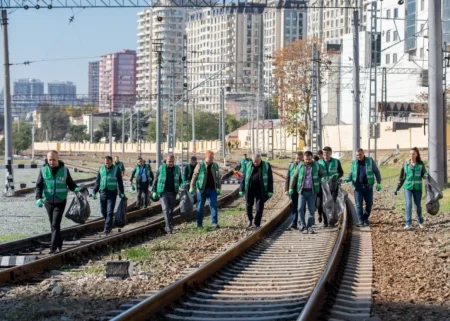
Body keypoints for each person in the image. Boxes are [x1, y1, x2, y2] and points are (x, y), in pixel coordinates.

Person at [36, 151, 80, 254]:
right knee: (53, 224)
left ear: (58, 158)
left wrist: (77, 189)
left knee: (55, 224)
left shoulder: (64, 170)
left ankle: (53, 248)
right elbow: (39, 185)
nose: (51, 162)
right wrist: (38, 198)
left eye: (53, 159)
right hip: (48, 201)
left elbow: (70, 183)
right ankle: (59, 243)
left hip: (61, 200)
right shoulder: (43, 170)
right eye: (49, 160)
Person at [344, 148, 382, 227]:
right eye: (357, 155)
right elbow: (351, 173)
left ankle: (365, 218)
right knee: (358, 205)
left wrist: (379, 182)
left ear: (363, 153)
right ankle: (361, 221)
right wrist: (348, 178)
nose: (359, 156)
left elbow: (376, 171)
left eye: (360, 154)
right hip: (358, 187)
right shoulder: (354, 163)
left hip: (368, 187)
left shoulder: (370, 161)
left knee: (369, 204)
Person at [289, 151, 324, 234]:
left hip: (312, 191)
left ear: (312, 158)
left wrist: (320, 180)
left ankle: (309, 227)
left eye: (309, 159)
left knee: (311, 210)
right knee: (300, 208)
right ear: (303, 159)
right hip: (302, 191)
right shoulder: (300, 165)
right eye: (306, 159)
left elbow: (322, 175)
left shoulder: (316, 165)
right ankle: (302, 225)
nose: (307, 161)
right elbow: (294, 177)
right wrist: (291, 188)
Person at [393, 147, 427, 230]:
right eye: (410, 154)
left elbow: (424, 175)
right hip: (407, 188)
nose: (411, 155)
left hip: (417, 188)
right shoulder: (406, 165)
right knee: (408, 204)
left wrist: (428, 177)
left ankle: (420, 221)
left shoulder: (420, 165)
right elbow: (401, 178)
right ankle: (408, 223)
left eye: (413, 154)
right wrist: (397, 188)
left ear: (417, 155)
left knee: (417, 206)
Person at [92, 156, 125, 234]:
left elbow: (120, 182)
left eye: (109, 163)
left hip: (112, 193)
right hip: (103, 192)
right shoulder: (101, 169)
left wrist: (121, 192)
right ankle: (109, 223)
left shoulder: (116, 169)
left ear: (112, 162)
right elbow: (97, 181)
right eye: (106, 163)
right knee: (103, 211)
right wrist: (94, 191)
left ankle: (106, 228)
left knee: (110, 211)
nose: (107, 164)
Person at [240, 154, 274, 229]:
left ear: (260, 159)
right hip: (250, 189)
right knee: (248, 205)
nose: (256, 163)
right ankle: (250, 219)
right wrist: (241, 189)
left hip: (260, 190)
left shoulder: (266, 165)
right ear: (252, 160)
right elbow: (243, 177)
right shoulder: (248, 165)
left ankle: (257, 223)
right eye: (254, 162)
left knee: (259, 207)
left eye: (257, 162)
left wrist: (270, 190)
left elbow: (270, 179)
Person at [190, 150, 222, 229]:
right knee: (200, 206)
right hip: (201, 189)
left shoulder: (215, 166)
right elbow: (194, 176)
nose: (212, 159)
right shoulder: (200, 165)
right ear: (206, 157)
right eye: (210, 157)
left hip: (212, 189)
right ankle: (199, 224)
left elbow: (218, 178)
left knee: (213, 205)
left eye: (212, 157)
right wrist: (192, 186)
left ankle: (214, 223)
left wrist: (219, 188)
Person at [152, 154, 183, 234]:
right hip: (163, 191)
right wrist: (154, 190)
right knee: (165, 209)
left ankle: (169, 224)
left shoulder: (177, 169)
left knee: (171, 211)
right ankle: (168, 227)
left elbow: (180, 180)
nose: (171, 163)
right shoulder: (161, 168)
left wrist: (182, 186)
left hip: (173, 192)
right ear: (166, 161)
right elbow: (155, 179)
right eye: (169, 161)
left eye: (172, 161)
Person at [317, 146, 344, 227]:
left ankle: (331, 220)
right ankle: (326, 221)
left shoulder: (336, 162)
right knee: (323, 203)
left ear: (331, 153)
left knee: (331, 203)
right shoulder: (318, 162)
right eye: (324, 153)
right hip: (323, 186)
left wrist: (337, 175)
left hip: (333, 185)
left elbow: (341, 172)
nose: (325, 154)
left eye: (327, 153)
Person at [285, 152, 303, 229]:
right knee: (294, 206)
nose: (298, 160)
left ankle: (301, 222)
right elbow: (288, 178)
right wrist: (287, 189)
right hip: (293, 189)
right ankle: (294, 222)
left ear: (302, 158)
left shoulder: (305, 166)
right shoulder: (291, 166)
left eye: (299, 158)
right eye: (297, 158)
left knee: (301, 206)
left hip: (302, 189)